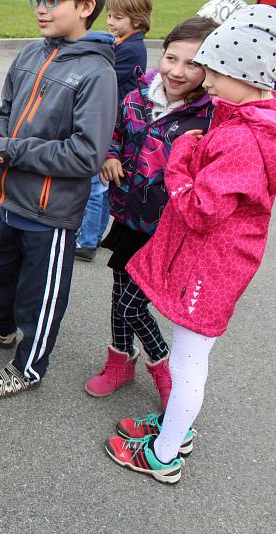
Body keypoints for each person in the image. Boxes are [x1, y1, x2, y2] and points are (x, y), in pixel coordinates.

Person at [105, 5, 276, 483]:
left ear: (249, 74)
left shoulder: (244, 138)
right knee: (188, 356)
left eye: (218, 72)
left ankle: (163, 455)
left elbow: (200, 208)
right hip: (215, 260)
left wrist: (180, 159)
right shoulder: (245, 117)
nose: (210, 82)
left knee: (188, 361)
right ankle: (175, 431)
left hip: (212, 266)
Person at [0, 0, 117, 398]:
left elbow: (86, 154)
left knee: (40, 294)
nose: (40, 9)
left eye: (52, 1)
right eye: (36, 1)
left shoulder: (97, 71)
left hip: (50, 211)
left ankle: (29, 367)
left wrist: (10, 149)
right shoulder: (32, 52)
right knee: (2, 272)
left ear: (85, 7)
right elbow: (3, 110)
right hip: (11, 197)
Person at [84, 17, 217, 407]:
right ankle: (119, 361)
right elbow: (115, 131)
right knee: (119, 291)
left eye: (192, 64)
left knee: (132, 302)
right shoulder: (137, 96)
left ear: (209, 67)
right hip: (127, 214)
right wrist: (109, 155)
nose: (177, 71)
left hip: (168, 227)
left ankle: (162, 366)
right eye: (172, 57)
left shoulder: (210, 118)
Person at [75, 0, 151, 261]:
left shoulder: (131, 49)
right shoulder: (123, 43)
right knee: (99, 183)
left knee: (96, 185)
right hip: (112, 118)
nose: (110, 22)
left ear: (137, 21)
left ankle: (87, 240)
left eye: (118, 18)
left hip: (112, 119)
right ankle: (90, 235)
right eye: (109, 16)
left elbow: (100, 72)